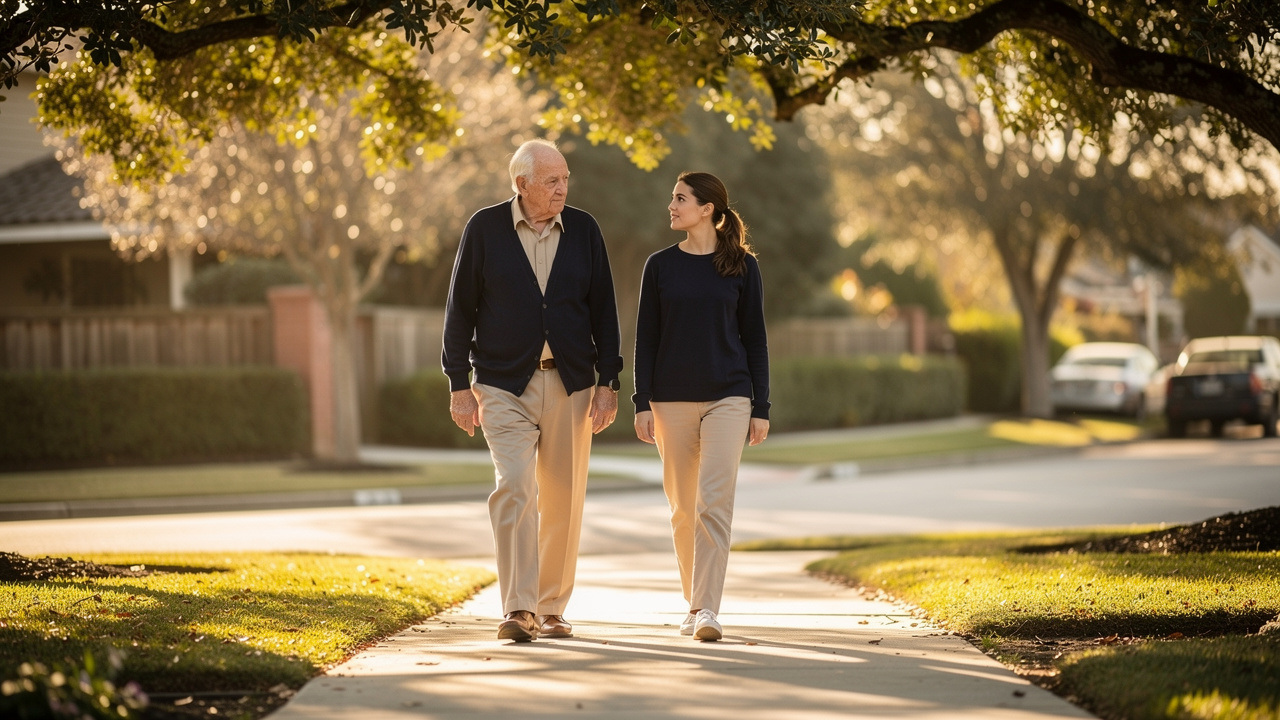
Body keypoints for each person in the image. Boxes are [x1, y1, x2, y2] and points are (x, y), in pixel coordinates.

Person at [442, 139, 623, 642]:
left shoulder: (584, 230)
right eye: (551, 180)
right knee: (515, 487)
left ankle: (551, 608)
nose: (562, 188)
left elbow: (604, 309)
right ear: (521, 184)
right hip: (502, 384)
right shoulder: (484, 228)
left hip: (571, 382)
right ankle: (518, 608)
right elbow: (460, 310)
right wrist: (459, 385)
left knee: (563, 497)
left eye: (565, 178)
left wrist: (608, 382)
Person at [632, 171, 770, 642]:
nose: (670, 206)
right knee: (683, 510)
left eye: (679, 198)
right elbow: (645, 339)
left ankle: (706, 608)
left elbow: (755, 340)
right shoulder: (660, 266)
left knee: (714, 503)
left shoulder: (742, 268)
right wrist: (641, 401)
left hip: (729, 397)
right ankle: (694, 603)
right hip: (668, 400)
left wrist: (761, 405)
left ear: (707, 208)